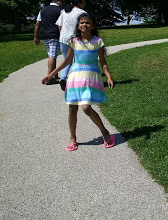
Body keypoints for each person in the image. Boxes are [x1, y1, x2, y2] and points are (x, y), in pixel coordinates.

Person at [42, 13, 115, 151]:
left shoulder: (97, 41)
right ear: (78, 26)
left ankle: (105, 132)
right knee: (72, 108)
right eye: (82, 23)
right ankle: (73, 138)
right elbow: (67, 61)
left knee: (86, 107)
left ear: (92, 25)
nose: (84, 25)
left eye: (87, 23)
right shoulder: (74, 41)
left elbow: (103, 63)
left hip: (91, 77)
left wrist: (109, 76)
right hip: (75, 77)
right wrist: (50, 74)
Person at [56, 0, 86, 91]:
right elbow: (84, 28)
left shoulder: (65, 12)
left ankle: (63, 78)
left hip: (63, 39)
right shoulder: (82, 13)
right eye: (84, 1)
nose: (85, 3)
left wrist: (62, 35)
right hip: (75, 40)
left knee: (67, 60)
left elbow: (59, 26)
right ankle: (78, 81)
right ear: (80, 2)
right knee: (79, 61)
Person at [34, 0, 65, 85]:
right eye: (62, 2)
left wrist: (36, 37)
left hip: (44, 36)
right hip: (54, 35)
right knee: (53, 56)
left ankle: (54, 75)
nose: (62, 4)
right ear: (58, 1)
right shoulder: (60, 10)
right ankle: (49, 78)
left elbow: (37, 24)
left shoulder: (42, 10)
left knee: (51, 54)